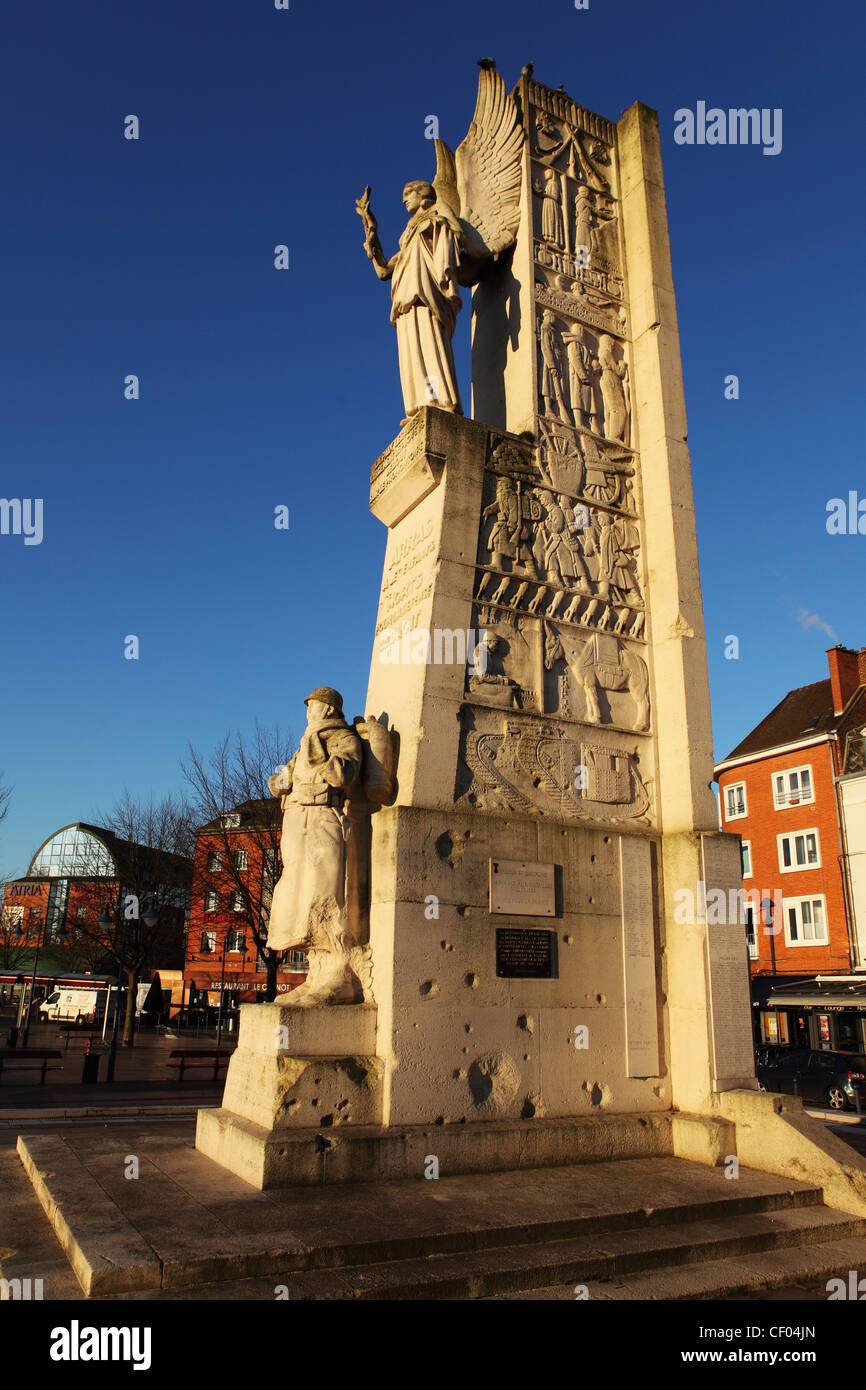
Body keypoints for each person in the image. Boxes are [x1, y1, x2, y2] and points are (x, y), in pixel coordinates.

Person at [266, 688, 365, 1006]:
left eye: (312, 706)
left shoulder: (343, 739)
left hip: (325, 817)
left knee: (325, 895)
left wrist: (317, 753)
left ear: (328, 709)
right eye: (307, 707)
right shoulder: (302, 744)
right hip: (296, 818)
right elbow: (278, 784)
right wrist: (282, 778)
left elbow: (342, 775)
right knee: (299, 897)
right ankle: (315, 976)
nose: (308, 711)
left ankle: (339, 977)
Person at [358, 181, 463, 418]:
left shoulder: (436, 219)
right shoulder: (408, 235)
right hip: (405, 296)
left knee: (430, 341)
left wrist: (442, 219)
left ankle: (441, 401)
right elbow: (385, 270)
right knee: (411, 350)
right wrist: (370, 228)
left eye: (409, 194)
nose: (404, 199)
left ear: (423, 195)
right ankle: (419, 405)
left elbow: (457, 236)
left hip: (427, 293)